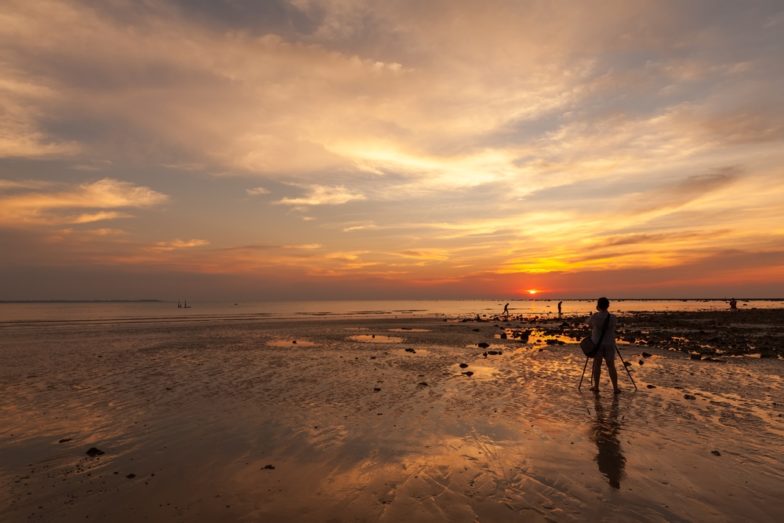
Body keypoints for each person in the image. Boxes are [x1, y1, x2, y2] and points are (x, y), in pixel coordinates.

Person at [587, 297, 620, 394]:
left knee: (597, 365)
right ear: (608, 305)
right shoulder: (613, 317)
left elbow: (589, 324)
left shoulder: (595, 316)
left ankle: (596, 387)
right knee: (611, 366)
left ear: (598, 306)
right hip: (609, 343)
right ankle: (615, 388)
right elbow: (614, 327)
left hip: (597, 344)